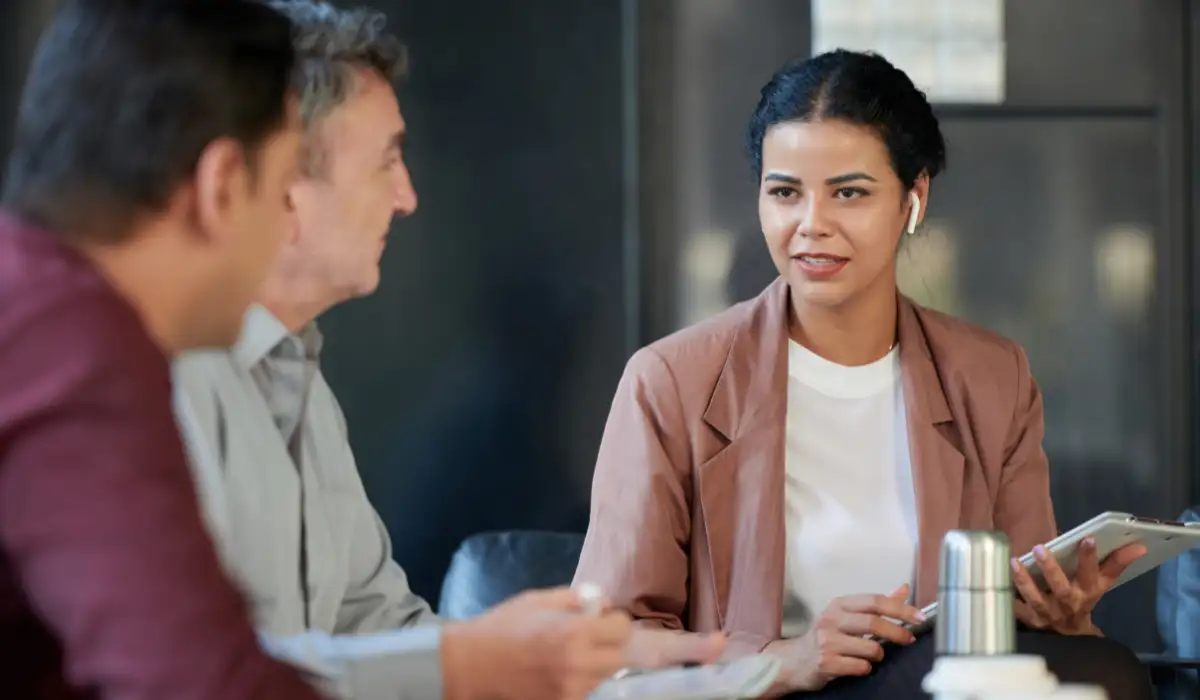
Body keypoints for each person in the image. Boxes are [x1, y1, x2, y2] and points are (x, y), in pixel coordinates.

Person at [171, 1, 723, 697]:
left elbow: (379, 627)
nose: (406, 197)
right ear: (285, 184)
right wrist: (478, 661)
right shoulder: (161, 386)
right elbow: (202, 674)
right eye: (387, 161)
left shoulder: (299, 380)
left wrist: (599, 663)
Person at [573, 49, 1154, 700]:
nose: (811, 226)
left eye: (849, 192)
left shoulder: (992, 376)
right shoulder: (671, 382)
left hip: (943, 687)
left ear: (914, 197)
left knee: (1111, 671)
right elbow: (608, 653)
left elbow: (1021, 619)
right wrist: (784, 661)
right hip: (769, 694)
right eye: (785, 192)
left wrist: (1062, 618)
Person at [0, 1, 322, 698]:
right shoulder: (74, 345)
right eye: (286, 186)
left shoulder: (31, 300)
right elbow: (204, 684)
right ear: (223, 185)